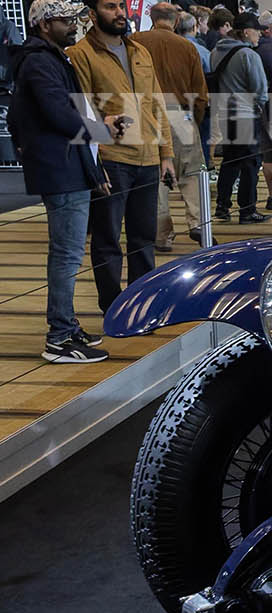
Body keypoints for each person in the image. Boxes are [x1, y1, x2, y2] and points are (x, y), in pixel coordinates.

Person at [12, 0, 117, 362]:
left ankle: (67, 326)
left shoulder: (49, 58)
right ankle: (59, 337)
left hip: (65, 166)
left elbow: (22, 117)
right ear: (45, 25)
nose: (74, 24)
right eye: (66, 19)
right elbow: (60, 114)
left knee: (67, 253)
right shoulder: (40, 61)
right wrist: (103, 131)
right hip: (61, 169)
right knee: (67, 254)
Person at [69, 0, 177, 314]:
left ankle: (141, 305)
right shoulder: (80, 55)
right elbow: (81, 113)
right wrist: (95, 163)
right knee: (108, 239)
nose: (119, 12)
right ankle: (113, 307)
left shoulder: (140, 52)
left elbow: (156, 105)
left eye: (121, 6)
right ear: (93, 15)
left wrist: (166, 154)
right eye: (110, 6)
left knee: (144, 238)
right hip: (111, 159)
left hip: (148, 159)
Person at [131, 1, 207, 251]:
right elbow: (200, 92)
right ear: (176, 22)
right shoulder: (187, 47)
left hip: (146, 115)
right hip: (180, 114)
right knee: (191, 173)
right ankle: (198, 222)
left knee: (156, 178)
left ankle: (162, 235)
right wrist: (194, 120)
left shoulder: (135, 42)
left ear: (151, 18)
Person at [211, 10, 267, 223]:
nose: (260, 34)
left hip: (225, 114)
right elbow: (260, 90)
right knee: (251, 163)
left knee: (230, 160)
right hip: (246, 115)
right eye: (257, 30)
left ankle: (222, 206)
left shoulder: (216, 52)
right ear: (245, 32)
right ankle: (247, 210)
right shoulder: (249, 55)